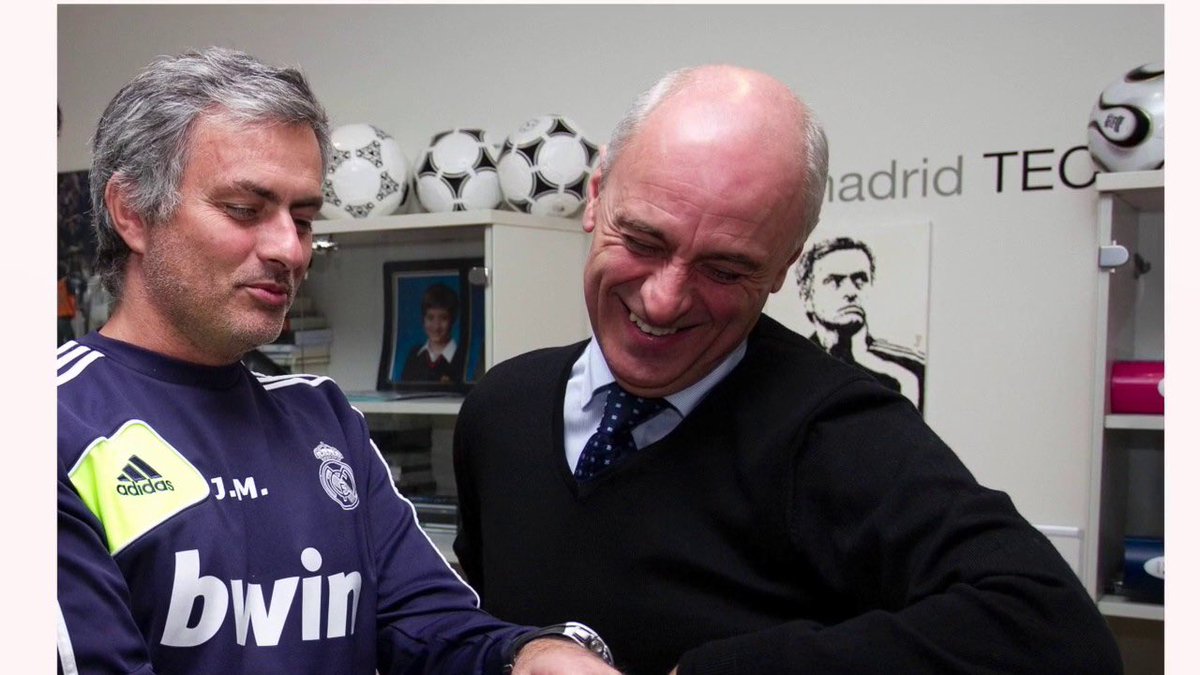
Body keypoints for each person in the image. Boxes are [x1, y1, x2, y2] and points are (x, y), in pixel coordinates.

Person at [453, 65, 1121, 675]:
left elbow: (1055, 632)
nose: (663, 300)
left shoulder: (838, 431)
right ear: (596, 195)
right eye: (643, 240)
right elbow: (476, 623)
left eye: (725, 269)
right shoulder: (502, 407)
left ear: (784, 265)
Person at [57, 47, 620, 675]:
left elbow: (424, 623)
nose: (290, 250)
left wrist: (530, 655)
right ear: (133, 212)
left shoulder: (321, 418)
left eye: (302, 219)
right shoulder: (52, 427)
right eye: (245, 210)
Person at [796, 236, 926, 411]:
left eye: (860, 280)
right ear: (806, 297)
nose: (851, 292)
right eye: (835, 282)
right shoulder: (791, 365)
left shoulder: (910, 368)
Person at [400, 283, 467, 384]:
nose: (436, 326)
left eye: (443, 318)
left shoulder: (462, 358)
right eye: (430, 318)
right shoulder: (414, 356)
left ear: (453, 320)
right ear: (423, 319)